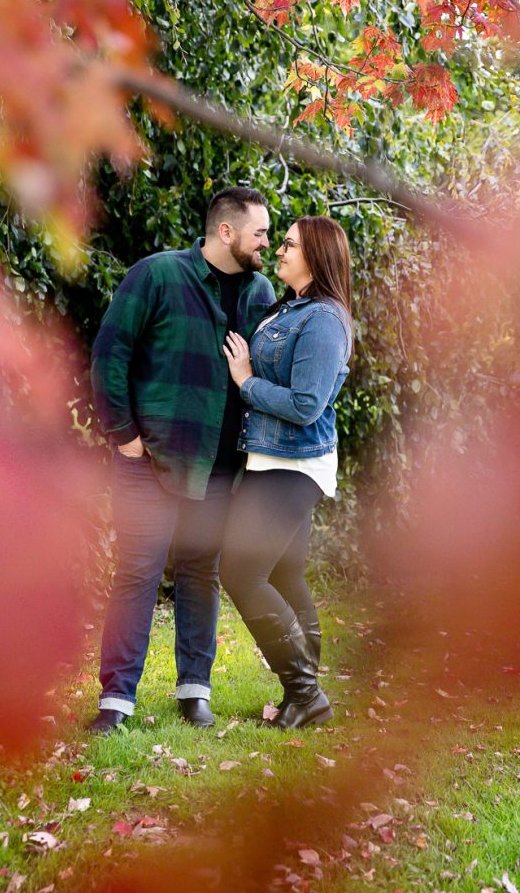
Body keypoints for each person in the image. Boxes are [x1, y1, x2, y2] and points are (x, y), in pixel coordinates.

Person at [88, 187, 275, 733]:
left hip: (219, 469)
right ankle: (116, 700)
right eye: (260, 232)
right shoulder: (158, 275)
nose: (267, 242)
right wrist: (124, 436)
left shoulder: (262, 293)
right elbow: (109, 356)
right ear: (226, 232)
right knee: (137, 574)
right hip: (150, 464)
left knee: (199, 574)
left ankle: (195, 692)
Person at [221, 215, 353, 730]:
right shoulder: (291, 308)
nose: (279, 250)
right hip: (272, 456)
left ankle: (306, 694)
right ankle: (302, 697)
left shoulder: (324, 320)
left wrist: (246, 381)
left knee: (240, 572)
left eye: (290, 245)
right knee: (284, 574)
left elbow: (305, 405)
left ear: (315, 256)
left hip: (293, 461)